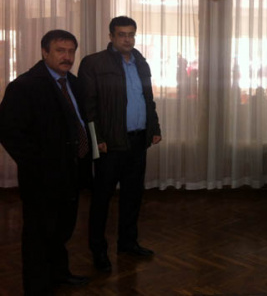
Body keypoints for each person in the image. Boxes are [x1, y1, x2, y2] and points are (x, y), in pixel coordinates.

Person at [0, 30, 90, 295]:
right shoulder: (24, 86)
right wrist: (37, 165)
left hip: (71, 172)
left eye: (71, 51)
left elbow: (80, 122)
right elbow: (9, 132)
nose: (67, 57)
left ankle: (59, 273)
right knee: (38, 235)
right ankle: (37, 286)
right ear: (45, 52)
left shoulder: (74, 83)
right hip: (42, 178)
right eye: (60, 51)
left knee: (62, 229)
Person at [79, 16, 162, 272]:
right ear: (111, 37)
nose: (127, 39)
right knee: (102, 199)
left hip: (138, 140)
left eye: (131, 34)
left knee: (132, 196)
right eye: (122, 34)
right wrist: (97, 139)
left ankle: (128, 243)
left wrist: (154, 128)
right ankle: (98, 250)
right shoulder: (94, 63)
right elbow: (88, 106)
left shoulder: (141, 62)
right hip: (109, 144)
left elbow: (148, 99)